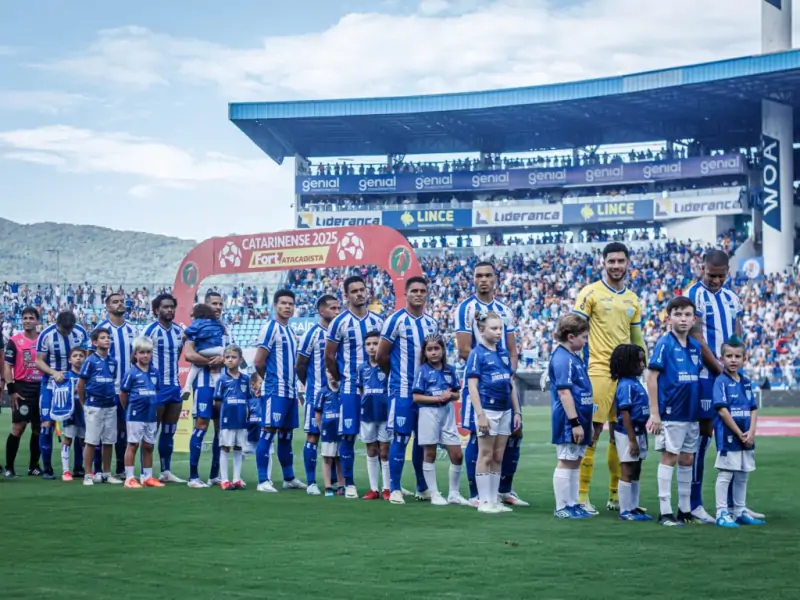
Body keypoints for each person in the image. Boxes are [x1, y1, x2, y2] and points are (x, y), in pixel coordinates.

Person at [685, 249, 764, 523]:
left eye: (721, 276)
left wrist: (737, 361)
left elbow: (736, 333)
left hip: (728, 374)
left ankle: (735, 507)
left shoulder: (732, 297)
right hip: (706, 377)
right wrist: (724, 372)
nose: (716, 281)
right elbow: (697, 339)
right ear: (702, 269)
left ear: (728, 272)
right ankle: (695, 504)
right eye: (711, 275)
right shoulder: (694, 294)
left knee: (734, 437)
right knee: (704, 437)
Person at [573, 242, 647, 515]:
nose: (616, 265)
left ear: (628, 263)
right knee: (591, 435)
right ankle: (581, 496)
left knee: (621, 437)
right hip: (598, 372)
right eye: (611, 261)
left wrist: (645, 367)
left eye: (621, 261)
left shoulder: (633, 299)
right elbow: (574, 329)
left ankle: (616, 495)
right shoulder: (590, 293)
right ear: (602, 262)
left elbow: (637, 339)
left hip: (626, 378)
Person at [454, 261, 526, 508]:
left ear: (495, 278)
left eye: (488, 275)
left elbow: (513, 350)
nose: (483, 279)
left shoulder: (505, 310)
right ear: (473, 279)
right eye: (478, 276)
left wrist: (508, 374)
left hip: (504, 386)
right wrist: (490, 368)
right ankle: (477, 495)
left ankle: (503, 491)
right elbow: (464, 348)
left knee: (514, 435)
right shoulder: (465, 309)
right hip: (481, 385)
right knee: (479, 437)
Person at [377, 276, 438, 505]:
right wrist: (394, 376)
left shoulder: (431, 323)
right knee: (401, 438)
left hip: (425, 392)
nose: (419, 294)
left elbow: (435, 355)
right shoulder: (395, 320)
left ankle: (422, 487)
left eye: (423, 290)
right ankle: (394, 488)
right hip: (402, 390)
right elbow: (381, 355)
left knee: (423, 440)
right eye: (414, 290)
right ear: (406, 293)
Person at [646, 296, 702, 527]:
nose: (683, 319)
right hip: (671, 412)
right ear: (669, 318)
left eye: (687, 314)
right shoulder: (664, 344)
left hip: (692, 413)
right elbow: (652, 377)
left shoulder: (696, 347)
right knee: (670, 457)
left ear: (694, 319)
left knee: (688, 459)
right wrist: (654, 413)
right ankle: (665, 510)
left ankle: (685, 509)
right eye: (678, 314)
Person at [326, 275, 384, 499]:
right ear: (347, 295)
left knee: (381, 438)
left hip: (375, 388)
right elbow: (329, 356)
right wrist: (341, 379)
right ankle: (349, 483)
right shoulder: (339, 322)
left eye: (362, 289)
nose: (359, 294)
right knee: (348, 435)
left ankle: (384, 485)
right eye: (354, 291)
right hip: (350, 388)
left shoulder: (378, 322)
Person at [465, 312, 521, 514]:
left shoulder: (504, 354)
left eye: (500, 328)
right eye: (494, 328)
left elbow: (510, 383)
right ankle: (484, 502)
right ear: (482, 330)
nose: (499, 332)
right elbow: (472, 386)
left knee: (498, 456)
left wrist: (517, 412)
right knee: (485, 455)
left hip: (506, 410)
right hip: (488, 410)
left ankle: (494, 499)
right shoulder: (476, 354)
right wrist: (480, 414)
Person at [253, 289, 306, 493]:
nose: (287, 307)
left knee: (286, 435)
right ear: (275, 305)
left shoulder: (291, 331)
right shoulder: (270, 328)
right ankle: (262, 480)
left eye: (291, 304)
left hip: (291, 392)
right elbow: (259, 361)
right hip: (276, 390)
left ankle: (288, 478)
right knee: (268, 432)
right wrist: (271, 381)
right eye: (283, 303)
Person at [712, 337, 765, 528]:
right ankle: (721, 512)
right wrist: (739, 432)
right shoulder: (721, 382)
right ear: (721, 358)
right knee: (726, 474)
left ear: (744, 358)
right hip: (729, 437)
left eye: (737, 356)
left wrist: (751, 432)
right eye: (729, 356)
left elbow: (753, 409)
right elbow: (722, 410)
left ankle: (739, 510)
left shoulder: (746, 382)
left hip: (746, 437)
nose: (733, 360)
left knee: (743, 474)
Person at [412, 333, 469, 506]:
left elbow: (457, 393)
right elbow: (416, 397)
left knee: (457, 455)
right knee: (430, 453)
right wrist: (438, 398)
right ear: (425, 352)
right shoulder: (422, 371)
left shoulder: (449, 370)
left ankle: (454, 493)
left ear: (443, 350)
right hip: (428, 413)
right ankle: (435, 493)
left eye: (437, 348)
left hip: (447, 413)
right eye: (429, 349)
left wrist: (450, 395)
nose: (433, 352)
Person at [184, 291, 233, 488]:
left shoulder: (225, 328)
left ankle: (215, 475)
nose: (218, 307)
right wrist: (212, 361)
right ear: (206, 305)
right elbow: (189, 354)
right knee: (202, 426)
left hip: (223, 384)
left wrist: (225, 360)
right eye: (214, 303)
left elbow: (233, 356)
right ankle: (193, 477)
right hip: (204, 384)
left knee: (221, 430)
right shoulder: (198, 326)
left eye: (221, 304)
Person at [548, 314, 594, 519]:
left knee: (576, 460)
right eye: (583, 337)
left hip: (581, 418)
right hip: (569, 420)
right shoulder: (562, 358)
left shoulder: (574, 357)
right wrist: (575, 423)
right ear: (570, 336)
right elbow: (564, 392)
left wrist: (588, 422)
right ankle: (561, 507)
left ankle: (573, 503)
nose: (586, 341)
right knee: (566, 460)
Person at [35, 310, 89, 480]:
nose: (66, 332)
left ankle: (79, 467)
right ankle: (47, 468)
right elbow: (38, 360)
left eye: (69, 330)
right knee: (47, 423)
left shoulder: (80, 332)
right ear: (57, 324)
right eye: (63, 330)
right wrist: (53, 372)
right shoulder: (46, 334)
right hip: (52, 385)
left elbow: (88, 355)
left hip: (76, 383)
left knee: (81, 424)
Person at [296, 294, 340, 496]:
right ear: (322, 311)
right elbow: (300, 366)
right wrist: (311, 385)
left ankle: (339, 483)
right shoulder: (312, 334)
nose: (336, 312)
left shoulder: (340, 333)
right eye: (332, 308)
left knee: (339, 438)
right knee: (313, 436)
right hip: (316, 395)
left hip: (338, 396)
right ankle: (312, 482)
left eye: (338, 308)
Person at [93, 292, 139, 477]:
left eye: (122, 301)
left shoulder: (133, 330)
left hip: (128, 389)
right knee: (102, 430)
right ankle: (98, 470)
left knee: (125, 429)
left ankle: (121, 468)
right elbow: (92, 359)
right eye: (115, 302)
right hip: (107, 389)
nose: (120, 304)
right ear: (107, 306)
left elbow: (137, 358)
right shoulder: (101, 329)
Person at [142, 293, 185, 483]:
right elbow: (138, 357)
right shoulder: (149, 331)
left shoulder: (179, 332)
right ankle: (146, 473)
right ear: (156, 310)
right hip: (156, 389)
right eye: (165, 307)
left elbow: (178, 355)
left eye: (171, 307)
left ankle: (166, 471)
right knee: (152, 430)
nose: (169, 310)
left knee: (169, 430)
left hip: (174, 387)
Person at [610, 344, 653, 522]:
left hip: (638, 431)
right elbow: (624, 413)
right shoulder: (626, 385)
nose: (643, 364)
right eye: (639, 361)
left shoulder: (634, 382)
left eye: (643, 360)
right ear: (627, 363)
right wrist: (632, 440)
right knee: (627, 469)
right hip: (628, 433)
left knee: (636, 469)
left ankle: (633, 507)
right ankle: (625, 510)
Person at [77, 327, 121, 485]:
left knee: (109, 441)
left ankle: (106, 473)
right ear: (95, 342)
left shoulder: (112, 362)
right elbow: (80, 384)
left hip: (110, 405)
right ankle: (88, 474)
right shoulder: (90, 361)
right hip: (94, 405)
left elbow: (112, 380)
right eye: (103, 338)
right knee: (91, 440)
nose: (107, 340)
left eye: (108, 337)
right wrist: (83, 404)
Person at [119, 336, 164, 489]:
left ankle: (148, 477)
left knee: (149, 446)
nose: (146, 355)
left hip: (151, 415)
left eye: (148, 352)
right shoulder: (131, 373)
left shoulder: (155, 372)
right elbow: (123, 394)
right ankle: (130, 478)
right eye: (142, 352)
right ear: (136, 354)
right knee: (133, 445)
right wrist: (130, 409)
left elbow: (156, 391)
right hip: (135, 415)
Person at [3, 307, 43, 477]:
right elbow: (7, 366)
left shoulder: (43, 340)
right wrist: (11, 390)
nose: (27, 320)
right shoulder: (14, 341)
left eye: (31, 318)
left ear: (37, 321)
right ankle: (9, 467)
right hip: (22, 387)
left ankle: (33, 466)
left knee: (38, 428)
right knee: (18, 427)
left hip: (41, 388)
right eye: (25, 318)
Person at [357, 331, 391, 500]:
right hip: (367, 414)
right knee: (371, 450)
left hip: (384, 413)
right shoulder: (362, 368)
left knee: (384, 451)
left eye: (376, 343)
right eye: (369, 344)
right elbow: (361, 390)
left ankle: (387, 488)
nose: (372, 347)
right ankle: (373, 489)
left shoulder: (387, 365)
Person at [214, 345, 252, 491]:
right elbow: (217, 401)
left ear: (240, 360)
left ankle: (236, 479)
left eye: (234, 357)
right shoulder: (222, 380)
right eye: (227, 357)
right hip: (227, 420)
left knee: (238, 447)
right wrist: (223, 415)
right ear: (224, 360)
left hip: (241, 420)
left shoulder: (245, 379)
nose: (230, 360)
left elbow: (249, 398)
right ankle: (224, 480)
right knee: (225, 447)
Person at [181, 303, 226, 400]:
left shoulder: (197, 322)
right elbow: (224, 331)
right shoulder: (217, 322)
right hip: (219, 350)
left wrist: (184, 335)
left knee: (195, 365)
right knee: (215, 369)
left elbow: (186, 333)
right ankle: (218, 391)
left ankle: (187, 387)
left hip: (203, 350)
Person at [56, 347, 87, 481]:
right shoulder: (66, 376)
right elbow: (61, 394)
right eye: (75, 356)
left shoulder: (87, 375)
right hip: (71, 412)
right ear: (70, 359)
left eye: (81, 355)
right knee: (68, 439)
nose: (78, 358)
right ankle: (66, 471)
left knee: (85, 441)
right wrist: (75, 390)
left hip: (85, 412)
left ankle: (87, 469)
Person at [315, 370, 344, 497]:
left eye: (333, 371)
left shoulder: (343, 391)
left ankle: (341, 485)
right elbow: (318, 414)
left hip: (341, 429)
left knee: (340, 458)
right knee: (327, 458)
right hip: (328, 429)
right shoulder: (322, 392)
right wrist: (322, 429)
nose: (332, 374)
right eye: (328, 371)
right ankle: (327, 487)